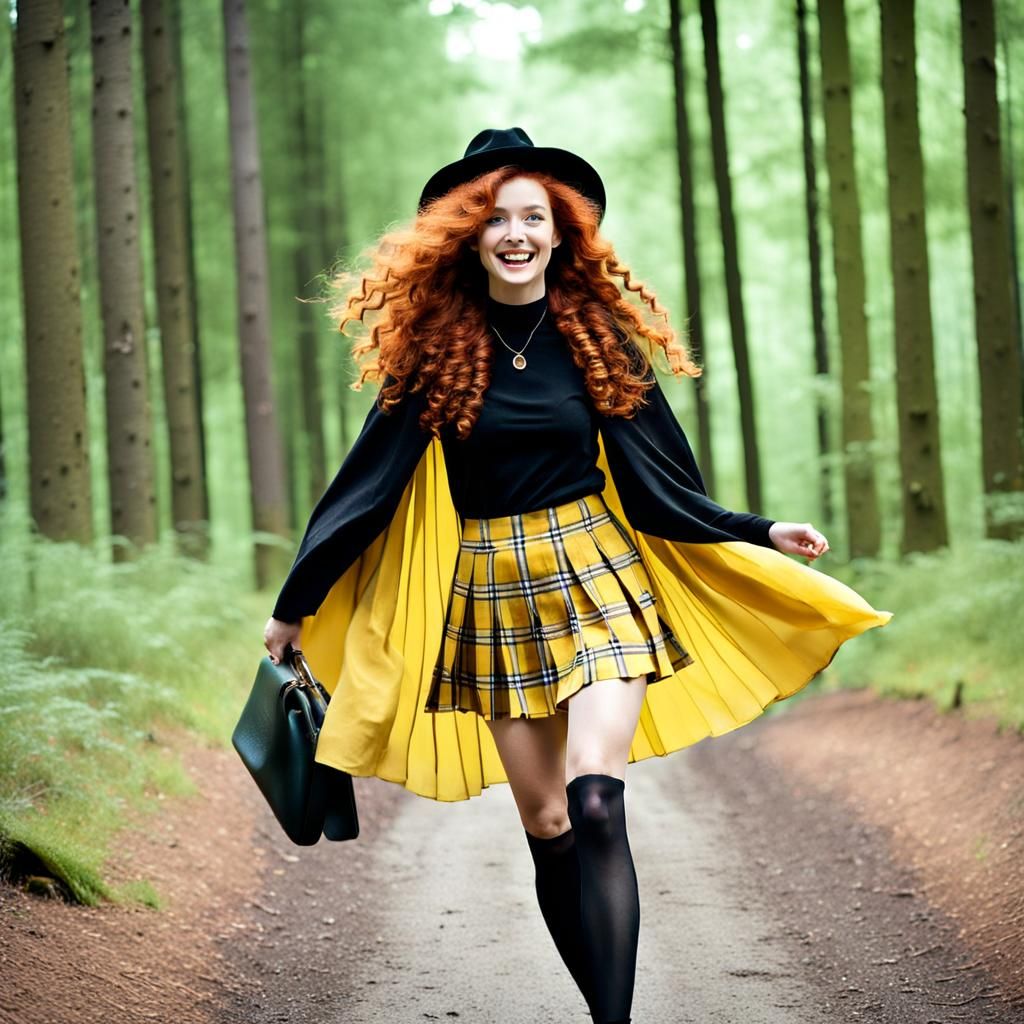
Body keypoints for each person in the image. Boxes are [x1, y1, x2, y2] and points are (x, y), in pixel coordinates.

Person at [263, 127, 892, 1024]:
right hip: (491, 593)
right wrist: (294, 608)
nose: (516, 232)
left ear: (562, 234)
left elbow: (659, 489)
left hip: (599, 574)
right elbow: (364, 492)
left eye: (535, 216)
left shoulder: (598, 342)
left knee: (596, 801)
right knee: (550, 825)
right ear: (468, 238)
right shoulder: (435, 358)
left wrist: (760, 530)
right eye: (496, 219)